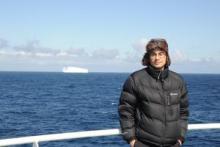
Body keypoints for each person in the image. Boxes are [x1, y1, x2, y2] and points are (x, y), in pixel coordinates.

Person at [118, 38, 189, 147]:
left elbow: (183, 112)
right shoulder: (135, 79)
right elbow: (126, 111)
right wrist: (131, 140)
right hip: (143, 143)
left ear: (166, 56)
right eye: (153, 54)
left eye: (161, 54)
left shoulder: (178, 81)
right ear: (148, 57)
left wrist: (180, 138)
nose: (157, 58)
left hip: (173, 144)